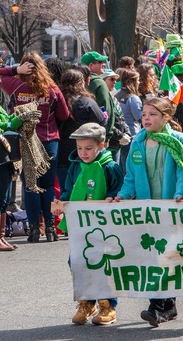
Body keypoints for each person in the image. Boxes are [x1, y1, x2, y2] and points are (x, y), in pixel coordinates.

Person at [110, 97, 183, 327]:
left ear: (166, 117)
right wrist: (123, 195)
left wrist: (182, 194)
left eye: (152, 114)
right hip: (147, 211)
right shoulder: (138, 141)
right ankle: (158, 306)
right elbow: (131, 177)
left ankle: (165, 305)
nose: (146, 118)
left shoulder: (176, 140)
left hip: (170, 209)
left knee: (168, 256)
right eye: (144, 114)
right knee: (151, 257)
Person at [0, 52, 69, 243]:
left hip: (26, 141)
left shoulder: (15, 86)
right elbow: (64, 114)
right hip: (49, 140)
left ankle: (35, 230)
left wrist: (15, 70)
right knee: (47, 187)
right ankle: (51, 229)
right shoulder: (52, 89)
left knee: (30, 187)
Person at [57, 123, 124, 325]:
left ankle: (107, 305)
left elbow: (117, 192)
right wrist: (62, 204)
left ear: (101, 145)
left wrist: (112, 199)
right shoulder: (75, 166)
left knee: (104, 264)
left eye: (88, 148)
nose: (83, 153)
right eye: (79, 148)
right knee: (77, 261)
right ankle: (86, 301)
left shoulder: (110, 167)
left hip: (105, 228)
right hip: (81, 226)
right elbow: (68, 189)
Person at [0, 70, 40, 250]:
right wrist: (16, 121)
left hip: (5, 150)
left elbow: (4, 121)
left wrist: (18, 115)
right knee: (0, 195)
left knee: (6, 196)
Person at [57, 69, 107, 188]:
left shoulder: (57, 101)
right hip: (86, 152)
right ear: (81, 83)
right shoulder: (86, 102)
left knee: (65, 189)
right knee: (87, 189)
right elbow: (102, 121)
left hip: (61, 152)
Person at [81, 51, 116, 145]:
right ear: (91, 65)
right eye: (100, 62)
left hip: (81, 134)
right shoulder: (99, 83)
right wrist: (107, 135)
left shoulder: (75, 82)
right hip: (99, 135)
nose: (103, 64)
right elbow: (106, 110)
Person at [115, 69, 143, 173]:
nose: (139, 83)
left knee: (123, 167)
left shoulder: (116, 95)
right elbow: (140, 117)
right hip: (133, 136)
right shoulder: (133, 98)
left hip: (120, 136)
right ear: (133, 82)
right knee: (132, 168)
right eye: (138, 80)